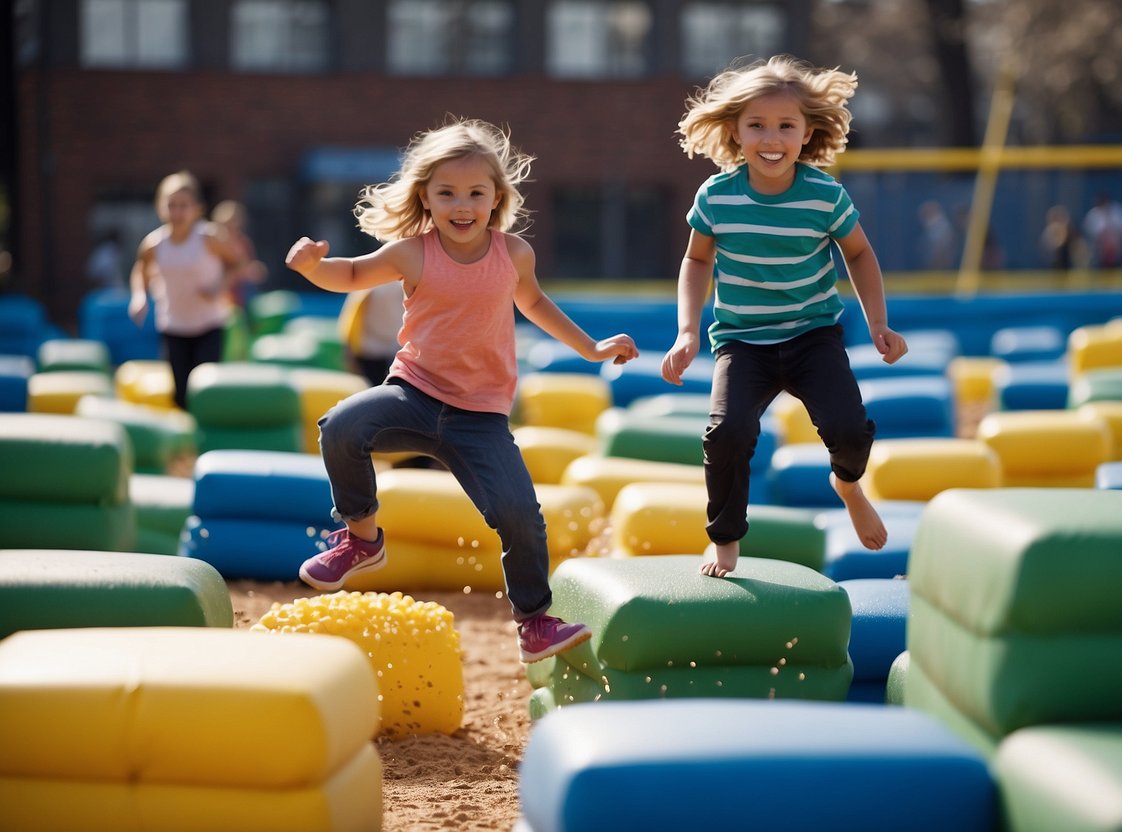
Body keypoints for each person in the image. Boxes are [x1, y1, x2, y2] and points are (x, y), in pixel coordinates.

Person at [284, 118, 639, 663]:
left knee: (521, 514)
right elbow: (353, 274)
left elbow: (536, 304)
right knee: (341, 426)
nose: (461, 204)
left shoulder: (514, 255)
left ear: (497, 197)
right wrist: (314, 269)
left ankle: (535, 621)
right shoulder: (412, 252)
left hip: (481, 417)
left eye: (475, 192)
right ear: (425, 196)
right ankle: (362, 539)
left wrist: (591, 348)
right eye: (446, 193)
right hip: (415, 393)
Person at [661, 55, 908, 579]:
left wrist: (878, 323)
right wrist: (687, 331)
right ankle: (725, 541)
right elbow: (696, 259)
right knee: (726, 434)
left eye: (785, 126)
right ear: (734, 130)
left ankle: (845, 483)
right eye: (757, 125)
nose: (771, 138)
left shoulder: (824, 196)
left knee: (849, 429)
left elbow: (859, 254)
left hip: (812, 335)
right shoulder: (717, 197)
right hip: (742, 342)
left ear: (807, 132)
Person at [129, 171, 250, 409]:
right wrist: (139, 297)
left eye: (184, 206)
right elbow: (140, 270)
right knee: (181, 394)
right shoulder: (154, 244)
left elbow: (237, 263)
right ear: (160, 208)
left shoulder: (209, 237)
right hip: (173, 325)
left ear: (197, 209)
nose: (177, 212)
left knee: (205, 390)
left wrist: (219, 287)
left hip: (210, 324)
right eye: (171, 205)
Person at [337, 279, 406, 385]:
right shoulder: (406, 285)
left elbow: (351, 322)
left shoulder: (368, 285)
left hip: (370, 349)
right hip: (395, 348)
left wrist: (349, 349)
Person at [210, 200, 267, 309]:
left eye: (235, 221)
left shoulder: (243, 243)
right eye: (228, 224)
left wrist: (253, 270)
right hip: (219, 295)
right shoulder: (212, 244)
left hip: (241, 295)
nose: (233, 226)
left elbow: (247, 266)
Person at [1083, 192, 1122, 268]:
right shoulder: (1093, 215)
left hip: (1119, 256)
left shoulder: (1119, 212)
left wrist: (1119, 245)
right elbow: (1087, 236)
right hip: (1099, 257)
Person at [1039, 205, 1088, 270]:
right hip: (1056, 261)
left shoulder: (1070, 230)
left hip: (1067, 261)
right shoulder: (1051, 230)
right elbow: (1048, 246)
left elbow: (1078, 247)